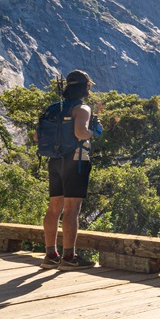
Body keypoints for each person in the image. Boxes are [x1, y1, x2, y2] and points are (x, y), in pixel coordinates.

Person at [41, 70, 100, 270]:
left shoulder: (54, 108)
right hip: (75, 160)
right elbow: (80, 133)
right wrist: (95, 130)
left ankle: (50, 254)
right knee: (72, 209)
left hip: (54, 160)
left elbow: (36, 137)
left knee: (54, 208)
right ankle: (69, 257)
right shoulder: (81, 108)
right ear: (85, 88)